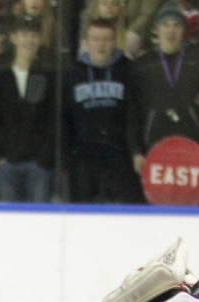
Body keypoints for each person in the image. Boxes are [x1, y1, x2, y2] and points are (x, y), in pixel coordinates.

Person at [128, 1, 199, 180]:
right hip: (153, 148)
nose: (170, 31)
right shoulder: (142, 66)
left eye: (176, 25)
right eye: (165, 25)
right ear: (156, 29)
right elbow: (132, 113)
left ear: (184, 30)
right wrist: (136, 151)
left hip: (194, 149)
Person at [63, 18, 143, 203]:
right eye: (96, 39)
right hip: (83, 156)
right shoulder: (72, 74)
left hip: (119, 154)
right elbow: (65, 118)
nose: (101, 44)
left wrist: (136, 150)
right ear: (86, 43)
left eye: (107, 39)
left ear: (115, 43)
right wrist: (67, 156)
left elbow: (133, 115)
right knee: (82, 216)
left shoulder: (127, 71)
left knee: (124, 214)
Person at [0, 15, 57, 201]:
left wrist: (45, 158)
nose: (29, 40)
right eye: (24, 34)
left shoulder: (49, 77)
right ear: (14, 38)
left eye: (34, 35)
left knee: (40, 222)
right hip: (8, 163)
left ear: (40, 39)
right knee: (11, 225)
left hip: (39, 164)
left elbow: (55, 120)